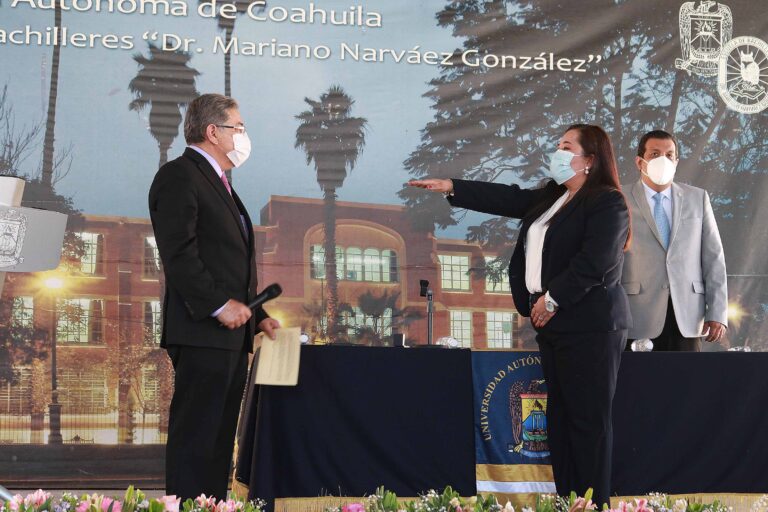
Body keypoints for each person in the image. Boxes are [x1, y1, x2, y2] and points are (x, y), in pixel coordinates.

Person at [409, 124, 630, 508]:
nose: (557, 152)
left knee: (588, 423)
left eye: (566, 146)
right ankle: (570, 502)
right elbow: (507, 198)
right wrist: (452, 186)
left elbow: (597, 262)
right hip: (555, 325)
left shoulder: (606, 201)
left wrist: (553, 298)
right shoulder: (553, 197)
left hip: (591, 325)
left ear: (590, 160)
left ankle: (595, 504)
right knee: (559, 420)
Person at [148, 93, 280, 500]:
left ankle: (211, 507)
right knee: (196, 438)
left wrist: (257, 315)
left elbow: (227, 262)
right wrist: (219, 306)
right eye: (238, 127)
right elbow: (180, 254)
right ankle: (186, 508)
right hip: (202, 330)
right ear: (212, 131)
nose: (243, 135)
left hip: (231, 335)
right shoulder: (179, 176)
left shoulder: (223, 184)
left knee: (220, 440)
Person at [622, 130, 727, 351]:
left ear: (677, 161)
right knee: (638, 384)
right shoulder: (619, 198)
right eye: (654, 153)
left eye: (669, 155)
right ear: (639, 161)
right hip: (636, 315)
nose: (663, 159)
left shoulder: (697, 198)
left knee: (688, 384)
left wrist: (717, 312)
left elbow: (713, 257)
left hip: (687, 316)